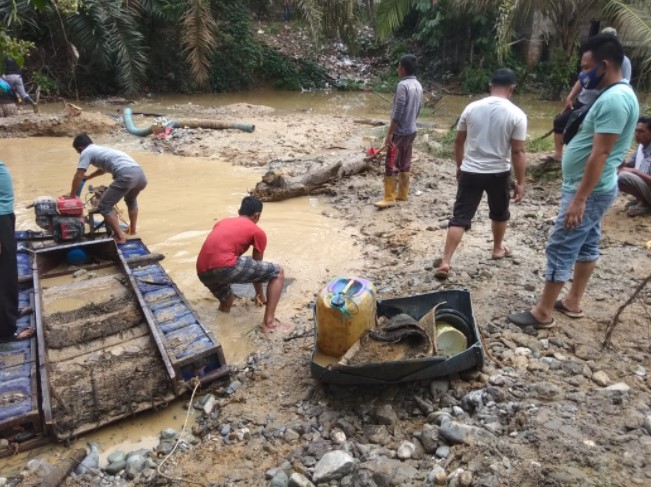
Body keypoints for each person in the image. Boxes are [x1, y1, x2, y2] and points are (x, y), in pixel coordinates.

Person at [508, 33, 639, 329]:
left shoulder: (615, 100)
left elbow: (601, 153)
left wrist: (579, 199)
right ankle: (573, 301)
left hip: (588, 189)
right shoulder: (617, 94)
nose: (582, 73)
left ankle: (542, 313)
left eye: (586, 66)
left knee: (562, 244)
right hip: (595, 187)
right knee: (587, 244)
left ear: (604, 65)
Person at [434, 68, 527, 280]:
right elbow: (518, 151)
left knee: (460, 217)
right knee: (499, 212)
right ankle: (497, 249)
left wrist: (460, 165)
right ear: (512, 89)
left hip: (471, 171)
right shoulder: (517, 114)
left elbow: (458, 142)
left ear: (490, 86)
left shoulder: (471, 108)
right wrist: (521, 181)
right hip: (499, 173)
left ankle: (446, 261)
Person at [196, 196, 289, 334]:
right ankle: (269, 323)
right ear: (257, 215)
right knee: (278, 272)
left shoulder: (222, 222)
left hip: (202, 270)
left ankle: (222, 331)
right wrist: (260, 295)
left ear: (239, 211)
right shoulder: (258, 232)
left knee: (227, 299)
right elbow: (257, 266)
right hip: (225, 266)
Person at [543, 27, 632, 165]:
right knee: (561, 121)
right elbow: (582, 80)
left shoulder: (615, 94)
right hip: (583, 101)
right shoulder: (593, 58)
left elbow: (623, 80)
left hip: (595, 103)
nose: (584, 72)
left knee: (600, 134)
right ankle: (558, 154)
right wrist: (570, 97)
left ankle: (617, 162)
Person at [70, 134, 148, 244]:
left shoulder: (86, 152)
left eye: (77, 152)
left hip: (126, 175)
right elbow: (102, 170)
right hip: (141, 176)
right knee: (131, 201)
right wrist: (89, 177)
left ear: (80, 148)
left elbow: (78, 175)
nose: (79, 154)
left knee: (104, 207)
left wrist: (72, 196)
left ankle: (120, 237)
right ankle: (132, 230)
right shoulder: (101, 150)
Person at [374, 54, 423, 208]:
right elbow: (419, 108)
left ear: (402, 69)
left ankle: (389, 197)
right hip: (412, 129)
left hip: (400, 131)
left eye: (398, 66)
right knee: (405, 161)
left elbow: (398, 112)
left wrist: (389, 134)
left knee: (391, 163)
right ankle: (402, 193)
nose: (397, 69)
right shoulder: (418, 85)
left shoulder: (402, 86)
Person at [0, 160, 33, 340]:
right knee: (3, 276)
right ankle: (6, 331)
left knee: (9, 271)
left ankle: (10, 312)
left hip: (4, 215)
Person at [617, 116, 651, 217]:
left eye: (641, 131)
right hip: (646, 187)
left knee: (622, 176)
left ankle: (645, 203)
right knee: (613, 174)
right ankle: (643, 200)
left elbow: (630, 171)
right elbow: (627, 166)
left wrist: (635, 171)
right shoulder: (641, 147)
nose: (637, 134)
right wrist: (618, 155)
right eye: (636, 131)